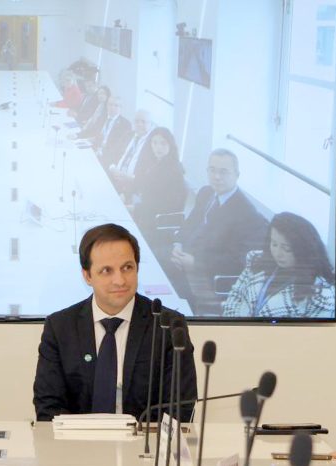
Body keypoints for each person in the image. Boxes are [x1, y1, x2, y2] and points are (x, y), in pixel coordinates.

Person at [33, 224, 197, 422]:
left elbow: (180, 408)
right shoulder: (60, 328)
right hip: (78, 440)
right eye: (106, 271)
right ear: (87, 276)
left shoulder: (167, 326)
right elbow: (48, 407)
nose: (120, 281)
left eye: (127, 268)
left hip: (143, 440)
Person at [168, 149, 267, 313]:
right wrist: (178, 244)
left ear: (237, 175)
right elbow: (190, 223)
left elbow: (237, 261)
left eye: (223, 172)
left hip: (209, 277)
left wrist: (195, 263)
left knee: (169, 294)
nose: (217, 177)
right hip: (185, 258)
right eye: (212, 170)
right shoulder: (207, 192)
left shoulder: (246, 213)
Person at [222, 212, 335, 318]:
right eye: (274, 244)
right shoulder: (256, 259)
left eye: (286, 248)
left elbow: (314, 332)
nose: (278, 254)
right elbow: (235, 297)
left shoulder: (321, 295)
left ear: (303, 249)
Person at [129, 127, 186, 237]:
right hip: (146, 214)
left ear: (170, 145)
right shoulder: (155, 162)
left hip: (156, 224)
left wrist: (135, 208)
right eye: (154, 143)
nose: (158, 147)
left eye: (163, 143)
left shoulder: (174, 170)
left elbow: (165, 206)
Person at [107, 109, 154, 197]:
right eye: (137, 121)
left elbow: (148, 177)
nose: (139, 124)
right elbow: (112, 154)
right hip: (113, 178)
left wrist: (131, 178)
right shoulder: (128, 135)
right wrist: (112, 168)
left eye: (143, 122)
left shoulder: (152, 145)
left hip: (132, 187)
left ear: (151, 125)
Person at [93, 96, 133, 170]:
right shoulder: (102, 117)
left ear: (121, 108)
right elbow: (92, 132)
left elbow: (120, 148)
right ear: (107, 106)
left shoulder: (125, 124)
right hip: (94, 150)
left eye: (116, 105)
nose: (112, 107)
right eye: (110, 104)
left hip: (108, 157)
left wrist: (102, 152)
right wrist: (77, 135)